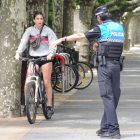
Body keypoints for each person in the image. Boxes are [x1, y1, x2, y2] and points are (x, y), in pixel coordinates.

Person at [49, 5, 124, 139]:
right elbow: (113, 43)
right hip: (117, 65)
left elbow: (80, 35)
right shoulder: (119, 27)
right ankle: (105, 126)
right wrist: (99, 45)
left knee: (107, 96)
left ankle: (113, 129)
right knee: (114, 95)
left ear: (99, 18)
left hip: (105, 66)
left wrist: (62, 39)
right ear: (109, 15)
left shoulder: (101, 28)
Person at [15, 11, 57, 116]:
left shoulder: (48, 31)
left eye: (41, 19)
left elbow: (53, 44)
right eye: (37, 19)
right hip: (34, 58)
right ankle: (26, 105)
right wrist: (18, 53)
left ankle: (49, 106)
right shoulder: (29, 30)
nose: (39, 21)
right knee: (27, 81)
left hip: (46, 57)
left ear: (43, 20)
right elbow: (23, 43)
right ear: (34, 20)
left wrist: (51, 54)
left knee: (47, 82)